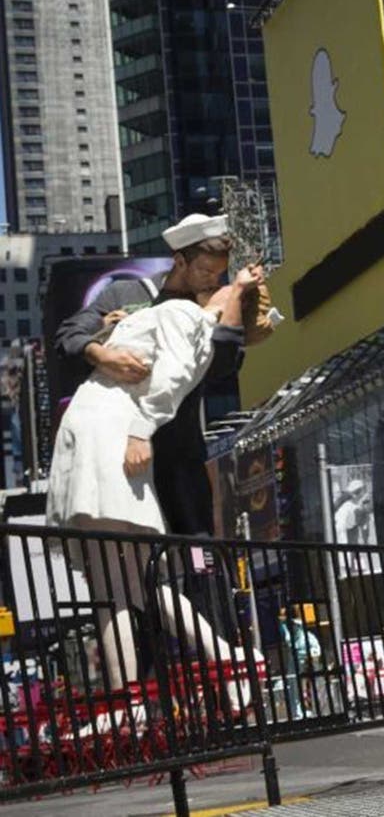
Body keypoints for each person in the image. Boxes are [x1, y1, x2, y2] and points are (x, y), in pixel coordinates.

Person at [47, 270, 263, 708]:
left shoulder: (191, 322)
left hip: (137, 452)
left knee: (126, 584)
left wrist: (140, 427)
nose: (218, 278)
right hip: (117, 444)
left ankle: (152, 695)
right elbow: (71, 334)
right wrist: (104, 342)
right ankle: (201, 671)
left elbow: (176, 382)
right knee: (131, 584)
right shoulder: (141, 299)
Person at [53, 213, 262, 537]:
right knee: (127, 556)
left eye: (219, 273)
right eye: (206, 271)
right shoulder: (126, 294)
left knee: (198, 557)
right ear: (180, 261)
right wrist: (102, 354)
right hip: (118, 452)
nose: (212, 281)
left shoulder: (216, 307)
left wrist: (234, 299)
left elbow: (224, 366)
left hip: (179, 456)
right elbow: (68, 336)